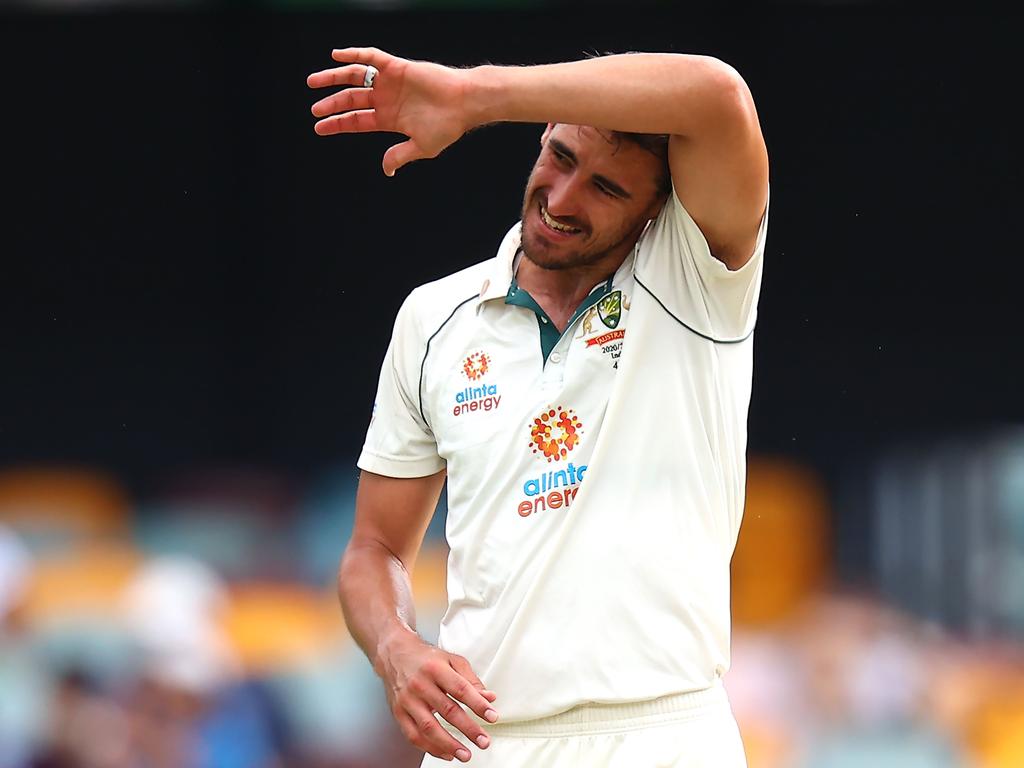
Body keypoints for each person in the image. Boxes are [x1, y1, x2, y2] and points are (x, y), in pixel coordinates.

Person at [307, 46, 769, 767]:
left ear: (657, 210)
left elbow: (716, 92)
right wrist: (396, 648)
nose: (560, 198)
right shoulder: (432, 319)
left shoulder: (694, 277)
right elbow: (374, 550)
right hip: (485, 743)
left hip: (664, 737)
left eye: (608, 189)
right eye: (558, 155)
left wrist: (472, 96)